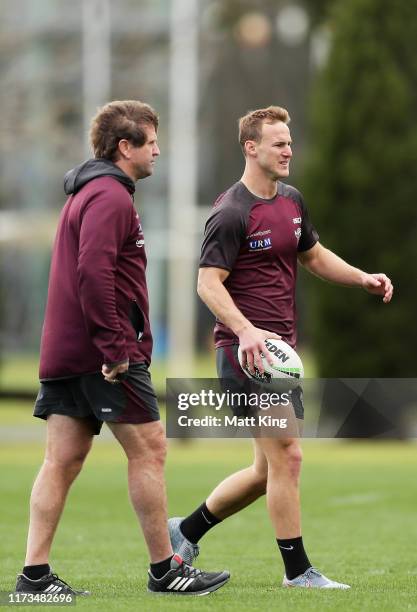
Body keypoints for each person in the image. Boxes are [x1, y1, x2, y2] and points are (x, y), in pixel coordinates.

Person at [169, 105, 393, 588]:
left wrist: (361, 278)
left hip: (280, 357)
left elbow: (313, 255)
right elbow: (208, 284)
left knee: (265, 468)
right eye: (277, 142)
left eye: (289, 141)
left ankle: (184, 531)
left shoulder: (291, 200)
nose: (288, 149)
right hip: (244, 353)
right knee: (288, 456)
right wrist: (247, 330)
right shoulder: (231, 211)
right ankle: (299, 572)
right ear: (251, 147)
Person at [15, 100, 229, 597]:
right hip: (104, 354)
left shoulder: (87, 194)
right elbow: (94, 274)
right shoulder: (110, 197)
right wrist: (115, 347)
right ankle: (165, 569)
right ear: (124, 147)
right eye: (150, 141)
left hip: (68, 350)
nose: (158, 150)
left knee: (61, 460)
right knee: (151, 449)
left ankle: (34, 577)